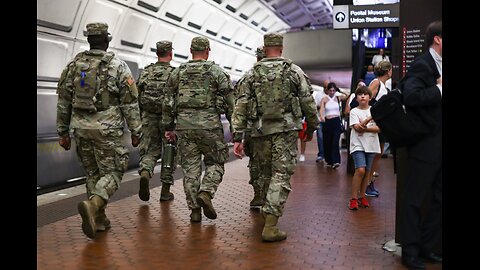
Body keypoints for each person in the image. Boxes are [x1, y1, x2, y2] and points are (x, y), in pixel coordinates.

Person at [56, 22, 142, 239]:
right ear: (107, 39)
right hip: (107, 130)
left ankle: (100, 220)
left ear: (88, 39)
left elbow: (64, 101)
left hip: (81, 129)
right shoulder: (118, 66)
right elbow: (130, 104)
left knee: (92, 173)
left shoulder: (74, 66)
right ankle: (94, 204)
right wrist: (136, 131)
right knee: (115, 170)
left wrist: (62, 132)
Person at [232, 33, 320, 242]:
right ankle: (270, 224)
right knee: (280, 174)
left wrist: (237, 136)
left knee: (264, 172)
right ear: (281, 48)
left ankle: (265, 206)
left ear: (264, 48)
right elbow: (307, 100)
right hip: (285, 130)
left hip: (259, 131)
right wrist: (312, 126)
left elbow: (241, 105)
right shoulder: (293, 70)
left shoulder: (251, 73)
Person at [162, 36, 235, 223]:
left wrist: (169, 127)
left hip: (184, 128)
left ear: (191, 50)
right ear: (208, 51)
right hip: (210, 126)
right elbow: (230, 103)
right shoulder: (217, 72)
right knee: (216, 162)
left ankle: (194, 210)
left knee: (190, 170)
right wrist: (236, 129)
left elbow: (168, 103)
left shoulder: (177, 73)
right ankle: (206, 192)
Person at [400, 20, 442, 270]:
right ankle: (410, 253)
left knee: (438, 199)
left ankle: (427, 247)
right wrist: (438, 90)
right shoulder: (422, 65)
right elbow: (411, 96)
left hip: (439, 145)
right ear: (438, 39)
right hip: (425, 145)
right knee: (414, 200)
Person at [136, 41, 176, 202]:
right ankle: (165, 191)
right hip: (168, 120)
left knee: (149, 151)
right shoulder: (174, 73)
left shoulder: (146, 72)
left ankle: (145, 172)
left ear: (157, 53)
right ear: (170, 54)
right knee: (169, 151)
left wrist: (140, 118)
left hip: (148, 117)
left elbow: (137, 96)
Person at [233, 46, 265, 208]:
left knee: (254, 162)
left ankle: (258, 195)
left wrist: (237, 137)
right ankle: (271, 197)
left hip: (253, 129)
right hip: (278, 129)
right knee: (274, 162)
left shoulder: (248, 77)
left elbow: (240, 107)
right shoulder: (286, 73)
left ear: (257, 58)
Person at [347, 86, 380, 210]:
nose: (362, 96)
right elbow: (357, 127)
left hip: (371, 144)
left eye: (365, 94)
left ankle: (362, 197)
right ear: (356, 97)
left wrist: (365, 127)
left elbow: (379, 128)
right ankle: (354, 198)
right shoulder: (354, 111)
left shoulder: (375, 110)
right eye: (360, 94)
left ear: (370, 98)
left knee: (367, 171)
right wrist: (369, 119)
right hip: (358, 144)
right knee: (360, 169)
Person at [364, 60, 393, 197]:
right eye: (391, 69)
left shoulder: (385, 86)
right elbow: (366, 99)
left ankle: (370, 183)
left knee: (378, 154)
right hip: (373, 123)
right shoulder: (376, 83)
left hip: (382, 125)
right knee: (374, 155)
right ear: (388, 71)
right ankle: (367, 184)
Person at [318, 82, 348, 169]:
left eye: (333, 90)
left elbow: (348, 96)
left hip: (336, 121)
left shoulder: (338, 98)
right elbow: (321, 109)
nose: (332, 92)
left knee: (335, 141)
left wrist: (340, 91)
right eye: (330, 90)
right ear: (327, 90)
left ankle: (336, 161)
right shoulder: (324, 99)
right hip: (328, 121)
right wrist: (322, 116)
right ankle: (329, 160)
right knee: (327, 141)